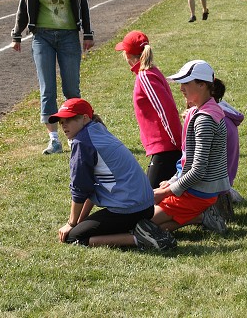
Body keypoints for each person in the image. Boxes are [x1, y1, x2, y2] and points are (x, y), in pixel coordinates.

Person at [53, 98, 177, 251]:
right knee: (79, 229)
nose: (64, 125)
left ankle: (140, 239)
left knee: (74, 237)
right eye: (61, 121)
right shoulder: (96, 129)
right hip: (146, 206)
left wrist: (71, 224)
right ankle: (139, 230)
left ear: (84, 118)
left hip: (130, 210)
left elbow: (80, 188)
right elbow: (89, 187)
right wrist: (80, 220)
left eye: (69, 119)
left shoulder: (82, 142)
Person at [11, 0, 94, 155]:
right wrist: (17, 33)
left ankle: (75, 136)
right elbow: (24, 6)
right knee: (47, 88)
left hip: (68, 36)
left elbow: (83, 4)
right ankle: (54, 139)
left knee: (71, 88)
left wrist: (87, 33)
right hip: (42, 37)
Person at [149, 60, 230, 235]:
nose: (181, 88)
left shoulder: (205, 120)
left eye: (186, 83)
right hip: (191, 188)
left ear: (202, 85)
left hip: (197, 192)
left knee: (143, 225)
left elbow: (198, 171)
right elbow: (188, 160)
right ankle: (200, 216)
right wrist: (172, 181)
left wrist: (166, 192)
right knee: (146, 225)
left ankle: (201, 215)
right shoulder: (198, 111)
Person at [115, 31, 182, 188]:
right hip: (165, 147)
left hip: (166, 148)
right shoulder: (150, 72)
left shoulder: (145, 76)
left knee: (149, 199)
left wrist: (178, 144)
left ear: (128, 55)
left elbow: (166, 110)